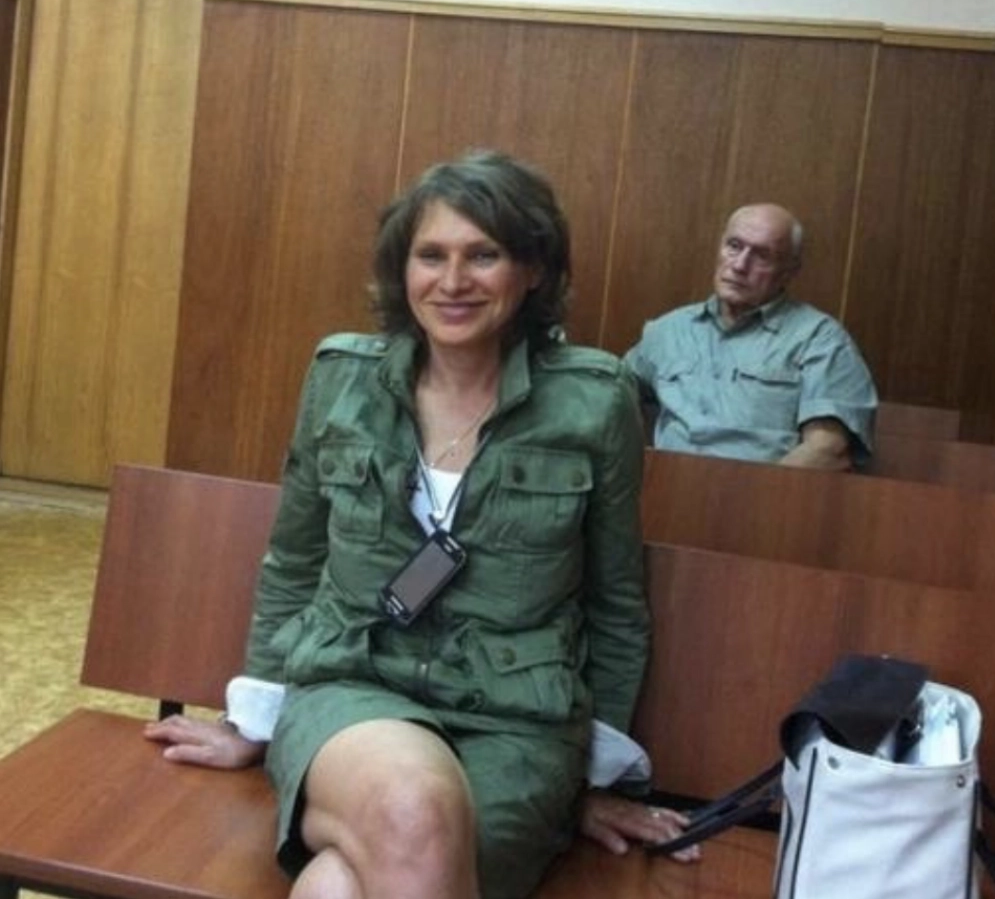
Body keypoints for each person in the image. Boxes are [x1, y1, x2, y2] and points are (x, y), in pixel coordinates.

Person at [146, 151, 697, 899]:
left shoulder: (595, 403)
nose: (453, 280)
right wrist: (257, 717)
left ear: (533, 269)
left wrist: (595, 777)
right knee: (414, 810)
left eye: (484, 255)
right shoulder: (342, 381)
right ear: (401, 271)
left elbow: (615, 601)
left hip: (517, 726)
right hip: (354, 686)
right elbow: (293, 561)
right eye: (430, 255)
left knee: (341, 884)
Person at [626, 203, 877, 470]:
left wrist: (754, 493)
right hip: (664, 485)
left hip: (762, 490)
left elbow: (828, 449)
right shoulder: (668, 330)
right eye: (734, 246)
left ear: (789, 271)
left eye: (762, 256)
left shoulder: (819, 339)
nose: (740, 265)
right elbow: (613, 390)